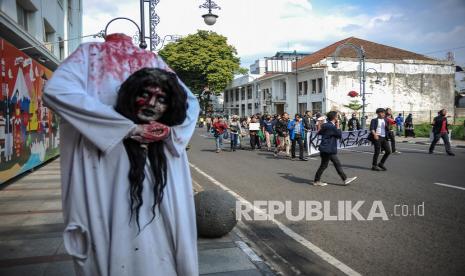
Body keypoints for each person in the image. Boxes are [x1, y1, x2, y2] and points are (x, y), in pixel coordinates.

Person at [43, 33, 199, 276]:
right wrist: (140, 129)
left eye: (160, 99)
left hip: (123, 161)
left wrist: (159, 132)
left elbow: (56, 90)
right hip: (111, 159)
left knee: (118, 231)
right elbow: (192, 103)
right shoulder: (152, 59)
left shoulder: (89, 54)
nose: (151, 104)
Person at [313, 111, 357, 186]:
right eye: (337, 116)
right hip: (328, 149)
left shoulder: (325, 125)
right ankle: (345, 179)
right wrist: (338, 126)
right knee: (334, 164)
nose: (338, 117)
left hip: (325, 148)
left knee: (326, 165)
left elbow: (319, 133)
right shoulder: (331, 126)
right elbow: (339, 135)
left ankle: (317, 180)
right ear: (334, 117)